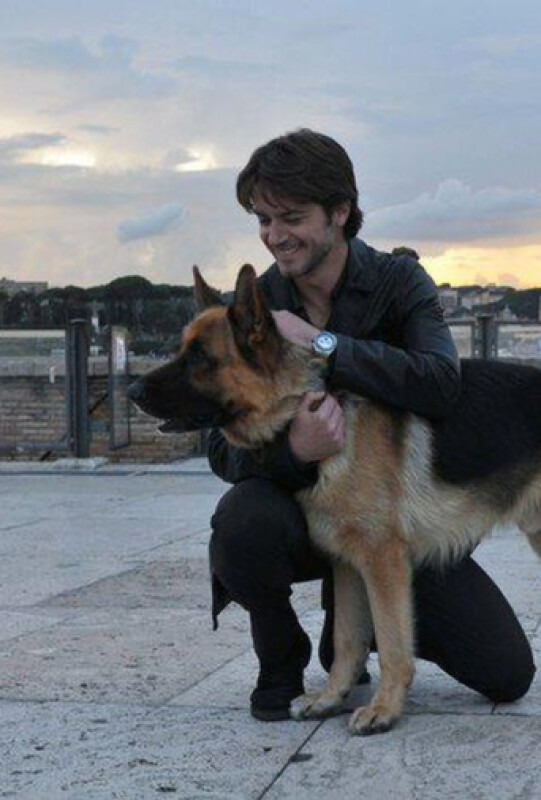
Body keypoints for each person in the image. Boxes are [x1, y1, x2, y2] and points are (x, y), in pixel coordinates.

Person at [206, 129, 535, 721]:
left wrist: (322, 343)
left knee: (506, 673)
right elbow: (219, 446)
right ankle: (283, 661)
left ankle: (363, 630)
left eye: (291, 217)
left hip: (395, 521)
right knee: (241, 524)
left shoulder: (398, 281)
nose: (275, 235)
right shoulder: (260, 300)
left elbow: (441, 381)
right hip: (309, 515)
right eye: (263, 219)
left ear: (340, 212)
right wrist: (295, 451)